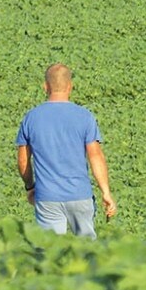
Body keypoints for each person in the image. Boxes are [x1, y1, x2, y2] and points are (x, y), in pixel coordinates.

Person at [16, 63, 117, 238]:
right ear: (70, 86)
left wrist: (30, 186)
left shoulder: (31, 118)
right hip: (80, 195)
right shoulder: (84, 116)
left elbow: (23, 161)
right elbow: (96, 157)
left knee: (49, 255)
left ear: (45, 86)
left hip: (48, 198)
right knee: (87, 254)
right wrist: (105, 192)